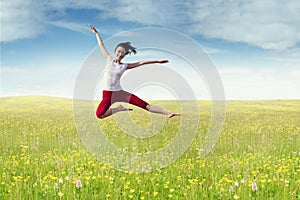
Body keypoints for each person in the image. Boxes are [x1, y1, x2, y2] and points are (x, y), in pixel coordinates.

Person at [89, 25, 181, 119]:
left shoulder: (124, 66)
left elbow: (141, 62)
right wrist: (96, 33)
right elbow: (101, 45)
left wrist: (157, 61)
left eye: (123, 52)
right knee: (99, 115)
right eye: (119, 51)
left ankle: (168, 113)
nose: (120, 54)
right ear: (115, 51)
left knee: (144, 105)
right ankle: (119, 109)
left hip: (120, 93)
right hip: (107, 95)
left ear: (125, 55)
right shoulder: (109, 60)